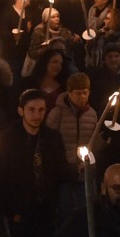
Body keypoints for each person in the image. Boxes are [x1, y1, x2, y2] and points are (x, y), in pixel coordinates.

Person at [0, 89, 72, 237]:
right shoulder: (7, 139)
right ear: (21, 111)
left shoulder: (52, 137)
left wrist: (79, 168)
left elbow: (61, 170)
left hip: (47, 211)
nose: (37, 115)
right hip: (20, 212)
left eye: (41, 110)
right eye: (31, 110)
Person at [46, 72, 98, 224]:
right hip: (64, 170)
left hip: (83, 171)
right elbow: (49, 141)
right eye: (78, 93)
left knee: (86, 208)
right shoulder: (58, 113)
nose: (82, 97)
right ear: (69, 93)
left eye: (85, 93)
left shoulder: (92, 114)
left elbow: (93, 143)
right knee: (65, 207)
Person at [21, 48, 69, 113]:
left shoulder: (64, 86)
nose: (58, 66)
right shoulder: (29, 82)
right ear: (45, 62)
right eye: (55, 62)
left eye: (61, 64)